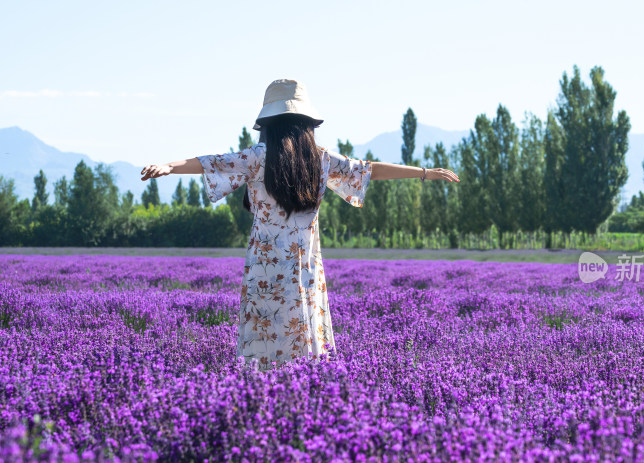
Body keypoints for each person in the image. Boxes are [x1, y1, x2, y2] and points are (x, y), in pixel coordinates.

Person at [140, 79, 459, 371]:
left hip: (264, 270)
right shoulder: (319, 159)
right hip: (304, 267)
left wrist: (169, 166)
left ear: (267, 123)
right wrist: (424, 171)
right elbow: (369, 170)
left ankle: (262, 398)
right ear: (307, 122)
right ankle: (308, 393)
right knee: (305, 331)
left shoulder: (257, 156)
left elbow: (211, 162)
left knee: (263, 338)